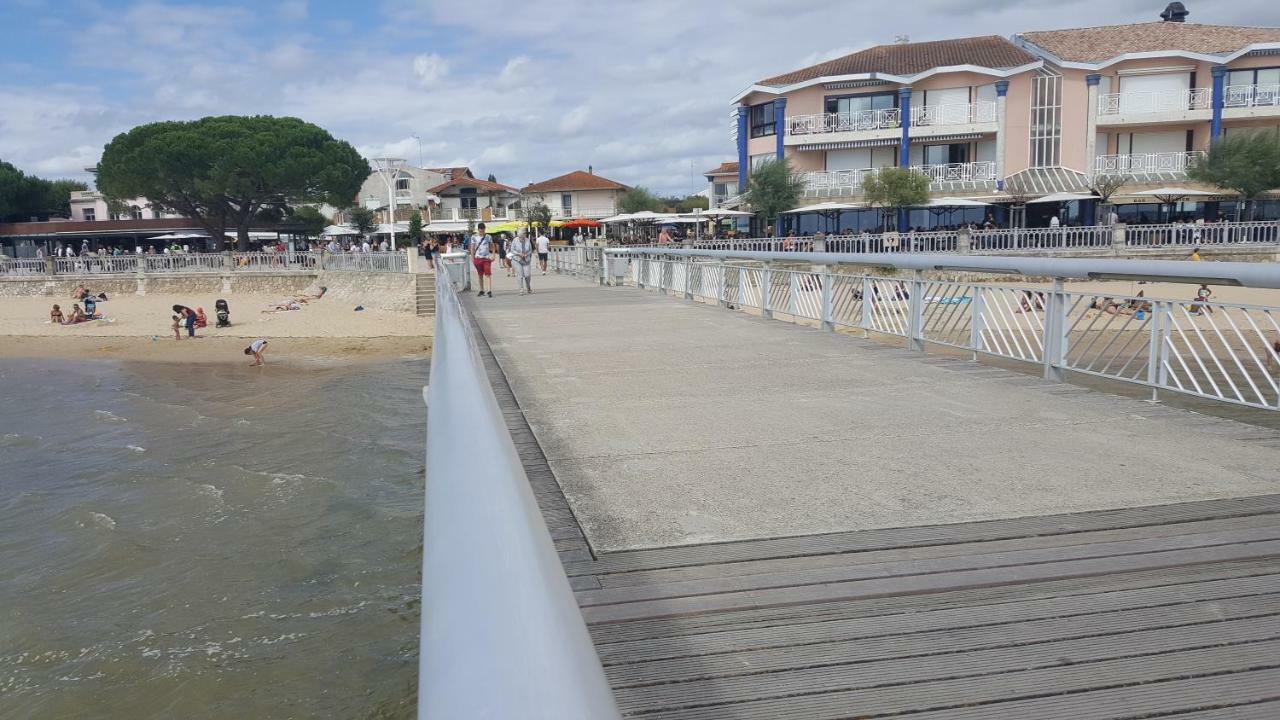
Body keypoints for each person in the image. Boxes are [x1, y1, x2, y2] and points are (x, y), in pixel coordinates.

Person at [470, 222, 493, 297]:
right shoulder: (474, 237)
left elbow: (492, 246)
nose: (482, 232)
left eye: (483, 231)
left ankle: (489, 290)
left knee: (488, 274)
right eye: (480, 231)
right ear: (478, 230)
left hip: (486, 258)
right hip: (478, 258)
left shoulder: (488, 237)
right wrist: (472, 257)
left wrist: (493, 255)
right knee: (480, 275)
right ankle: (481, 290)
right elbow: (472, 247)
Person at [511, 230, 534, 294]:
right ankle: (521, 289)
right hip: (517, 259)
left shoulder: (528, 240)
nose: (521, 238)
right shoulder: (515, 240)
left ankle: (528, 287)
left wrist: (527, 254)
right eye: (520, 237)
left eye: (522, 237)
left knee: (527, 275)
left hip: (526, 259)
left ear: (524, 235)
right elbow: (512, 250)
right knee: (520, 275)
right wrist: (519, 254)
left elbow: (530, 250)